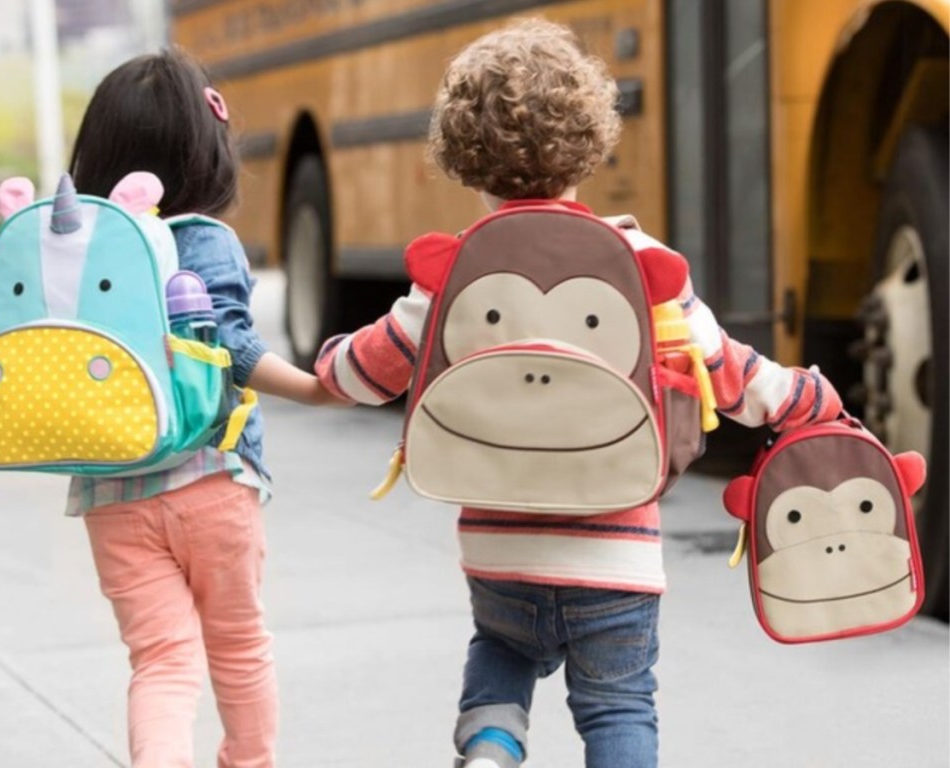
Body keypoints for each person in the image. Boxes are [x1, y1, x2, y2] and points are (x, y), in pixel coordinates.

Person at [313, 18, 843, 768]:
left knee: (498, 649)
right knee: (619, 706)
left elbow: (361, 373)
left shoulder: (456, 272)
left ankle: (492, 747)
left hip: (500, 552)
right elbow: (731, 373)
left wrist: (329, 357)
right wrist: (809, 398)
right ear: (591, 139)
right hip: (615, 556)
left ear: (464, 154)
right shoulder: (639, 260)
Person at [67, 48, 341, 768]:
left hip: (112, 491)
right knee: (240, 646)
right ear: (206, 152)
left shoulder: (82, 249)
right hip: (213, 480)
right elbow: (233, 344)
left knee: (161, 660)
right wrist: (316, 385)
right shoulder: (204, 239)